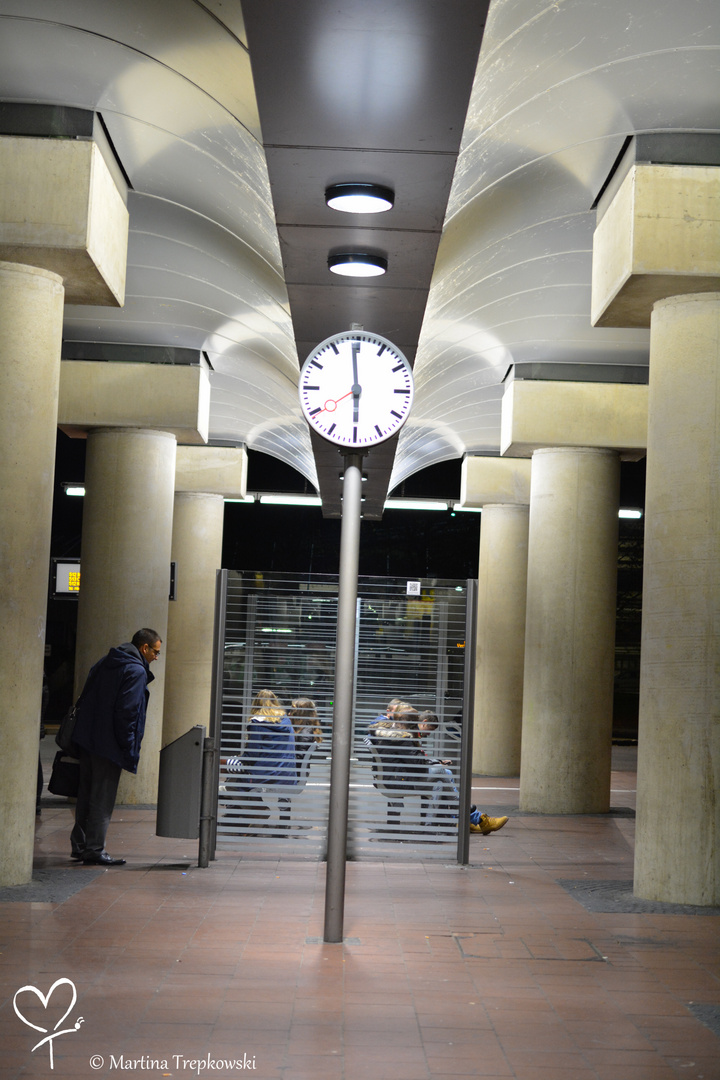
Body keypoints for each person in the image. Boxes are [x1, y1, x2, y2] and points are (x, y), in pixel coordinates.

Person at [70, 628, 161, 865]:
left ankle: (80, 845)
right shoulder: (136, 670)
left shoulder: (107, 661)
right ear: (144, 648)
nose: (157, 657)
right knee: (102, 798)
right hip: (109, 745)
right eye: (155, 652)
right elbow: (127, 712)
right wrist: (127, 745)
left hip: (88, 739)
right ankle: (94, 849)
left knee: (86, 794)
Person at [225, 689, 297, 828]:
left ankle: (259, 811)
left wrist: (238, 759)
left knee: (232, 784)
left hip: (268, 773)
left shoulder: (257, 723)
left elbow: (252, 753)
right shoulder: (285, 721)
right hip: (287, 773)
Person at [288, 697, 323, 768]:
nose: (289, 714)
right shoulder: (305, 730)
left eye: (291, 711)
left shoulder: (305, 734)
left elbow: (299, 760)